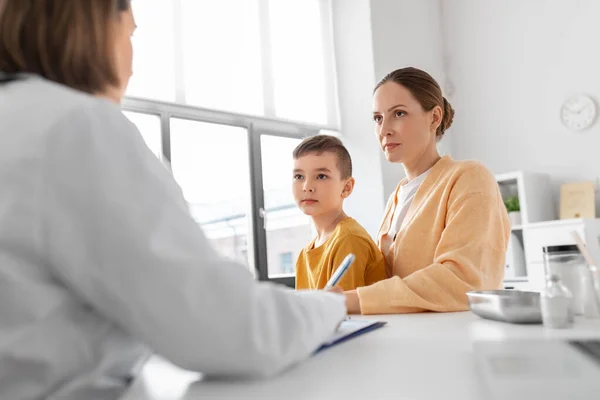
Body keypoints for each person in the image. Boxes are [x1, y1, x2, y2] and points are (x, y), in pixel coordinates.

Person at [0, 1, 346, 399]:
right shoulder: (77, 126)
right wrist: (326, 307)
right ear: (95, 28)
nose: (131, 66)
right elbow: (227, 328)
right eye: (130, 34)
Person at [336, 67, 510, 314]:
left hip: (455, 340)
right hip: (406, 339)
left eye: (399, 113)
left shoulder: (469, 177)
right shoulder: (397, 197)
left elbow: (463, 282)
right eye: (378, 118)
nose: (384, 129)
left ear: (434, 117)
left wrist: (349, 301)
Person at [292, 135, 387, 291]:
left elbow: (344, 312)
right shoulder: (304, 255)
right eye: (299, 176)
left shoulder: (349, 239)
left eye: (321, 176)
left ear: (346, 187)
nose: (307, 187)